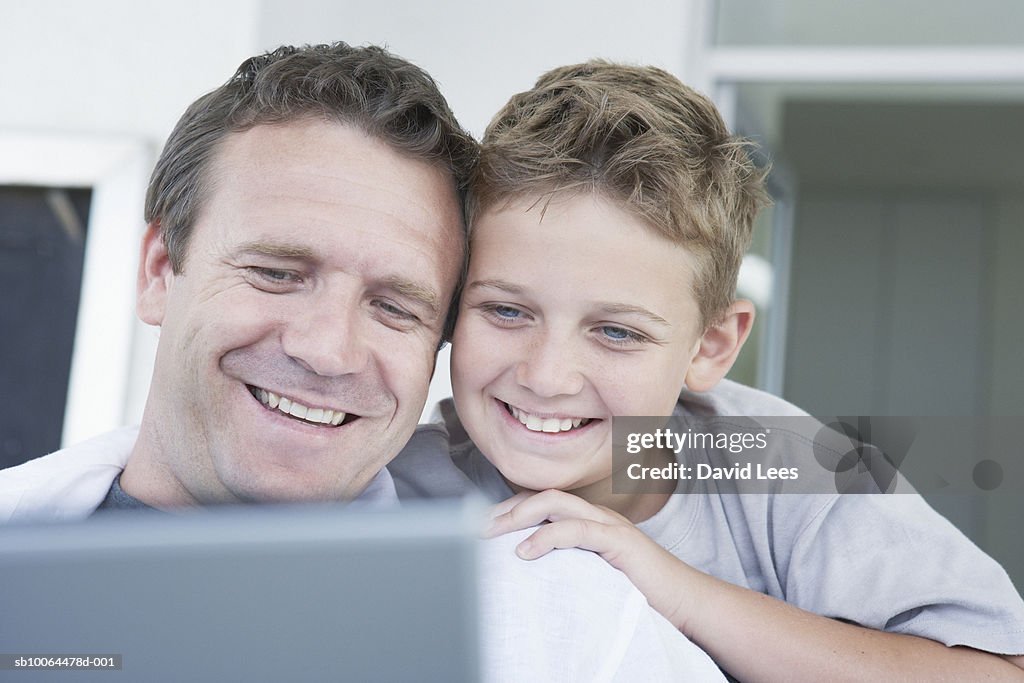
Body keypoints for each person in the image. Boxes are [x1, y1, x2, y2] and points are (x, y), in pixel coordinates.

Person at [0, 43, 725, 681]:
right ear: (160, 268)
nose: (325, 350)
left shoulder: (576, 623)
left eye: (394, 306)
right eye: (278, 272)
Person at [388, 61, 1024, 681]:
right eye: (505, 310)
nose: (548, 377)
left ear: (711, 346)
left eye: (617, 332)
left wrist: (673, 587)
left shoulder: (791, 464)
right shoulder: (394, 491)